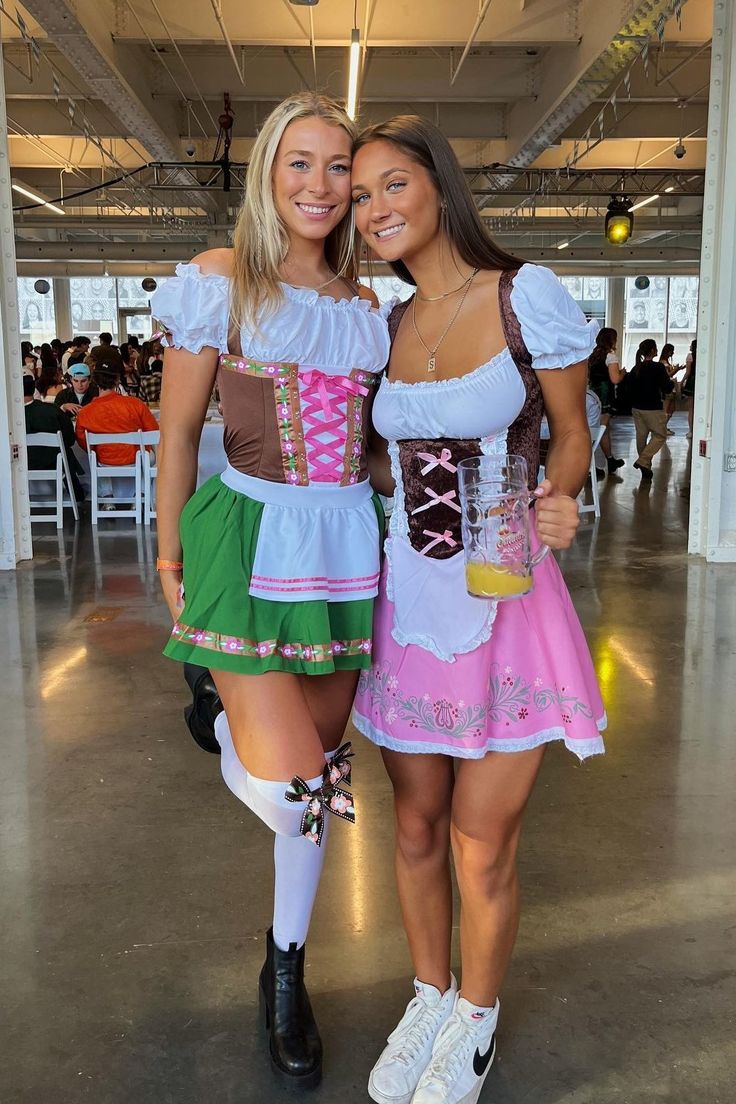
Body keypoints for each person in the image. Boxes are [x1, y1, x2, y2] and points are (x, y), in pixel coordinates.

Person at [349, 116, 606, 1104]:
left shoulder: (521, 297)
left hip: (504, 598)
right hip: (405, 596)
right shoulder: (383, 320)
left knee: (480, 837)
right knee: (413, 825)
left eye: (391, 185)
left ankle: (476, 1020)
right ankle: (427, 995)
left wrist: (562, 495)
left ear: (437, 186)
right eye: (360, 194)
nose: (373, 209)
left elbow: (573, 431)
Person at [150, 92, 391, 1090]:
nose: (322, 186)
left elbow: (383, 445)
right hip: (247, 538)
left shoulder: (371, 306)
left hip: (347, 547)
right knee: (300, 793)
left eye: (339, 167)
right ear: (266, 173)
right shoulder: (220, 283)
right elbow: (174, 434)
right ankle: (223, 723)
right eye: (301, 163)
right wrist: (166, 561)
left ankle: (282, 964)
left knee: (323, 774)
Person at [75, 351, 159, 466]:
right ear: (117, 380)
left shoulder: (84, 413)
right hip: (136, 460)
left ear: (94, 380)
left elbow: (84, 443)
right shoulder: (136, 404)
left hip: (104, 461)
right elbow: (153, 433)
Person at [23, 374, 85, 502]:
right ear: (34, 389)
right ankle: (77, 495)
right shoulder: (51, 409)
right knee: (65, 452)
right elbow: (69, 439)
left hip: (24, 462)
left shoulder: (10, 416)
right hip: (55, 463)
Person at [628, 339, 674, 480]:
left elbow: (629, 388)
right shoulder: (658, 368)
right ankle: (643, 460)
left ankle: (646, 468)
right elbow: (667, 386)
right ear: (653, 350)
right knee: (660, 435)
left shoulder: (636, 368)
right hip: (653, 407)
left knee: (641, 436)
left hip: (637, 408)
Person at [587, 327, 625, 475]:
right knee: (598, 431)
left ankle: (610, 459)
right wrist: (622, 373)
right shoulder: (610, 356)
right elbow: (615, 379)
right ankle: (589, 466)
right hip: (604, 396)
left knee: (602, 429)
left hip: (591, 396)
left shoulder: (592, 356)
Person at [659, 342, 680, 435]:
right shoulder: (663, 362)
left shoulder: (666, 362)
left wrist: (677, 369)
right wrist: (676, 370)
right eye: (672, 351)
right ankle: (662, 428)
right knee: (666, 408)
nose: (673, 353)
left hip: (671, 387)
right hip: (667, 388)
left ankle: (664, 427)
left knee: (671, 408)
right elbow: (667, 375)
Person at [681, 338, 697, 439]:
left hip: (691, 382)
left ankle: (691, 431)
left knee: (691, 409)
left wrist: (682, 382)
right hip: (700, 381)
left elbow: (688, 372)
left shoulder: (690, 356)